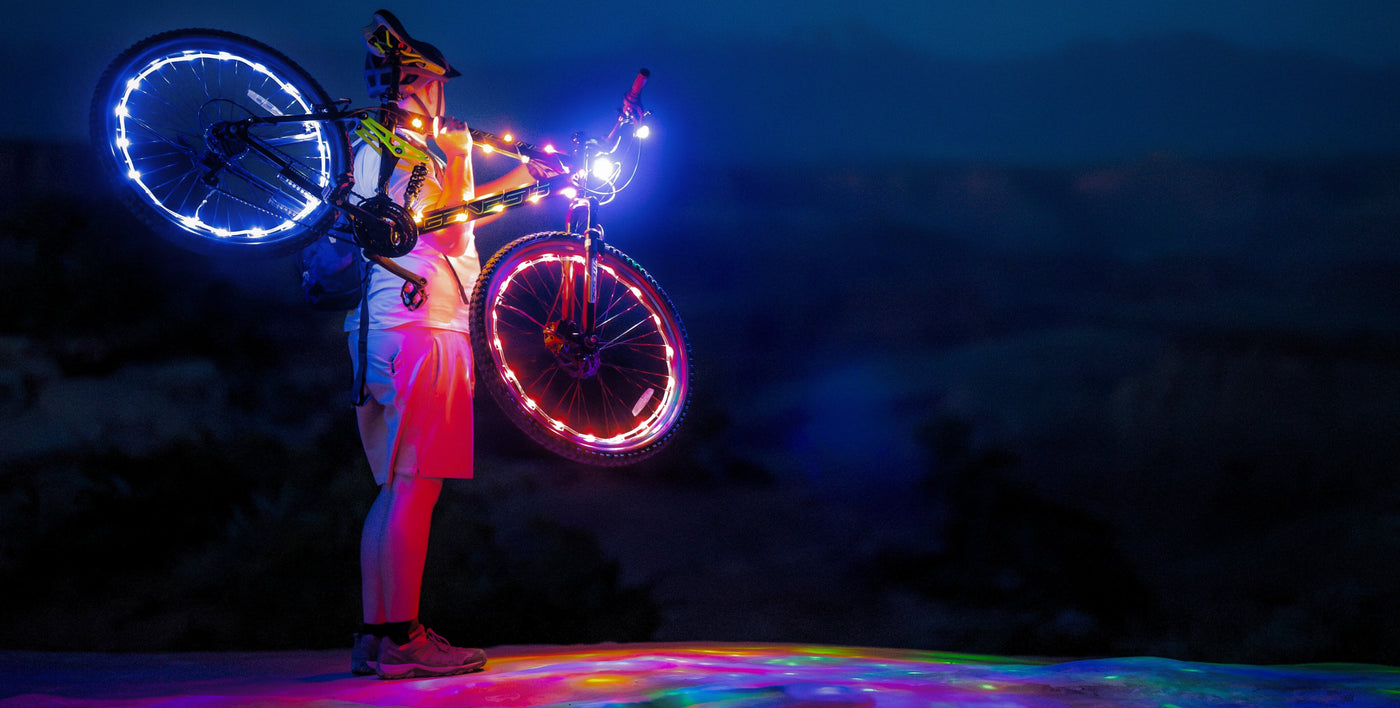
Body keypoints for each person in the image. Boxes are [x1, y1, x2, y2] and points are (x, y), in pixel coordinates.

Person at [345, 9, 527, 680]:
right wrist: (533, 182)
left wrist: (516, 183)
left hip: (374, 325)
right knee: (416, 491)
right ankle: (404, 640)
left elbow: (417, 221)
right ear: (432, 83)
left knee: (394, 488)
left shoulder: (374, 139)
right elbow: (449, 235)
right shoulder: (439, 142)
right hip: (429, 325)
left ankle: (374, 635)